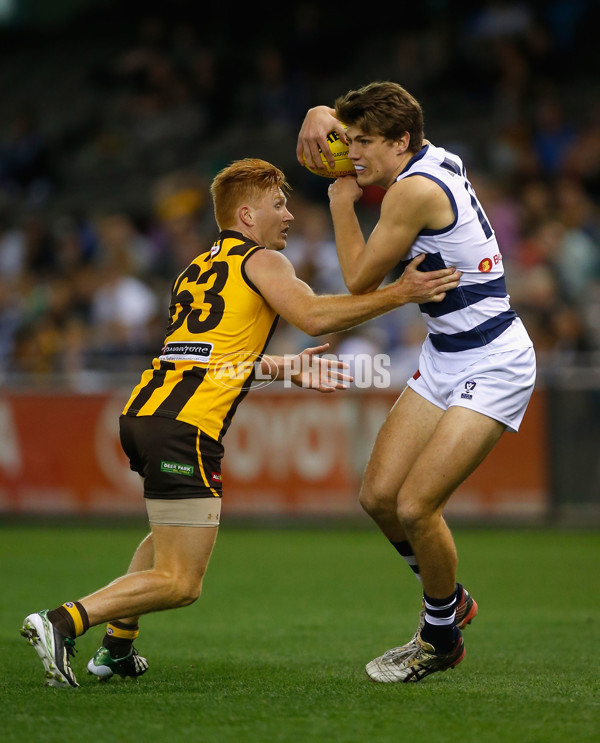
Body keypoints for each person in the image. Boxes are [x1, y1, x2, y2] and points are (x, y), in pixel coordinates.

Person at [20, 157, 461, 688]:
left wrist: (284, 368)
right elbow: (316, 316)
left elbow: (207, 358)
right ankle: (62, 622)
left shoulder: (196, 268)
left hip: (144, 414)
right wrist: (401, 293)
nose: (290, 216)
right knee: (182, 581)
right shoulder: (264, 263)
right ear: (247, 215)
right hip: (187, 427)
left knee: (165, 541)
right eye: (279, 204)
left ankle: (117, 647)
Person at [296, 82, 536, 683]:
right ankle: (450, 599)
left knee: (416, 505)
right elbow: (361, 113)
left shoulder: (410, 193)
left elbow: (356, 281)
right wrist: (317, 112)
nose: (354, 155)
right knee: (378, 499)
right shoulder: (430, 154)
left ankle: (439, 637)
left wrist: (340, 203)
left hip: (494, 360)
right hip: (444, 356)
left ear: (402, 142)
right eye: (349, 141)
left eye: (365, 143)